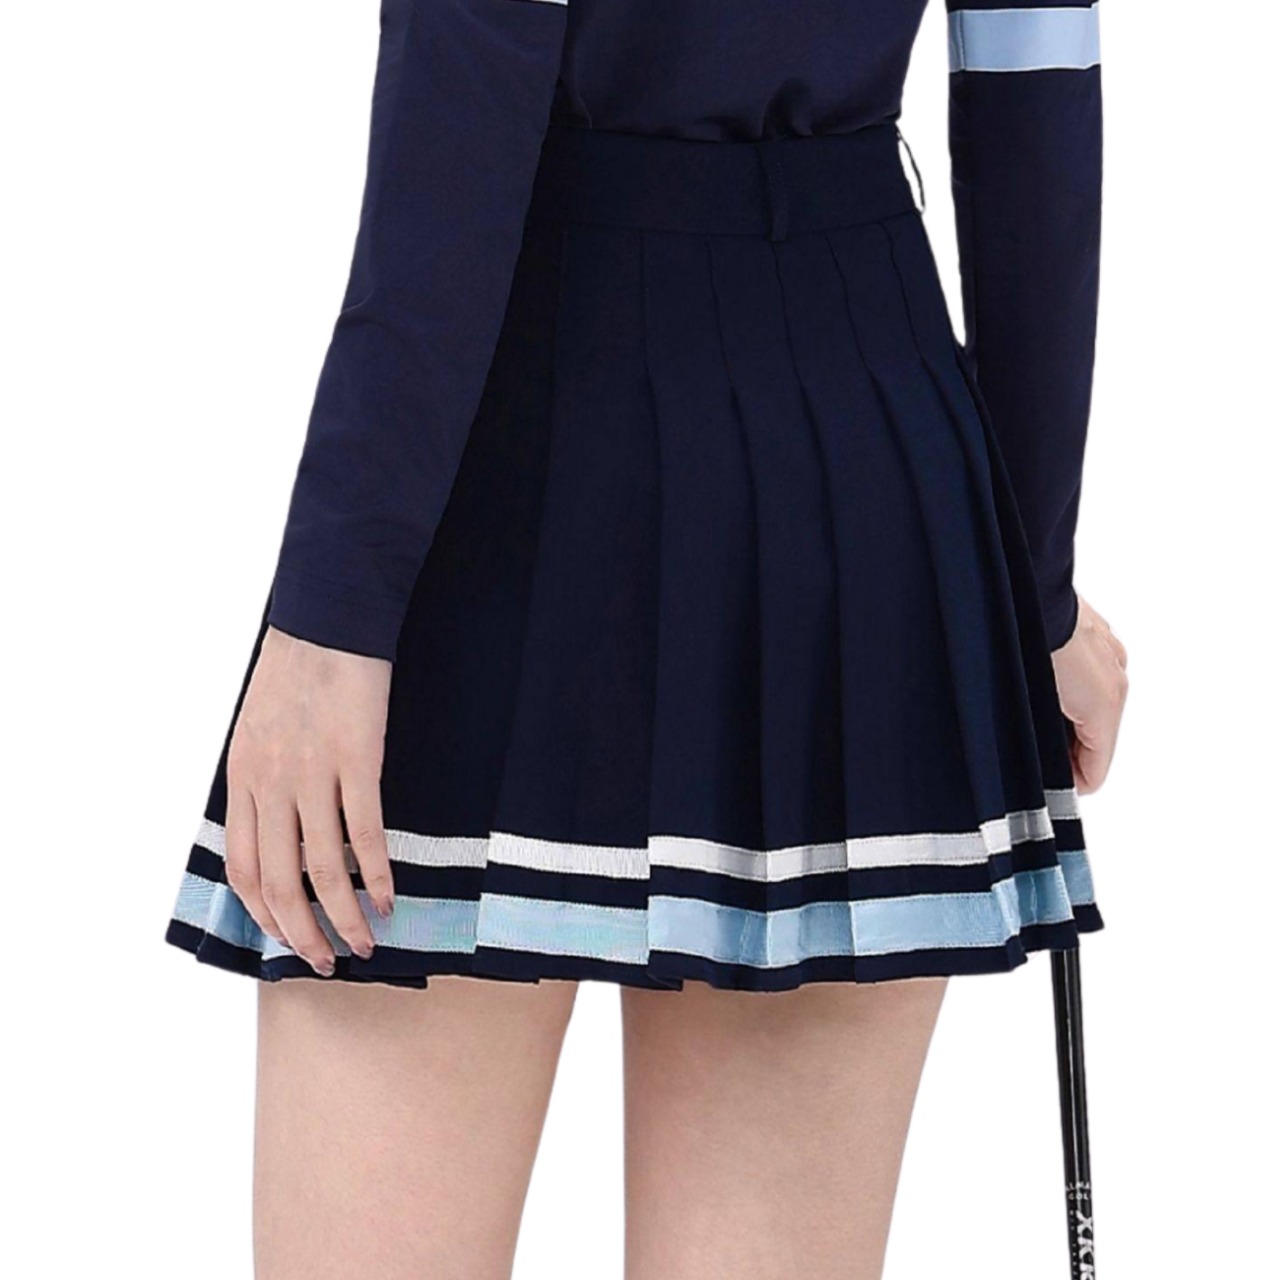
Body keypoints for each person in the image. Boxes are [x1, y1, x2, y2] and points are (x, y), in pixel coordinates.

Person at [165, 2, 1128, 1276]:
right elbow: (1033, 100)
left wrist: (332, 619)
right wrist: (1029, 583)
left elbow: (461, 105)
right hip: (851, 472)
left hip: (515, 458)